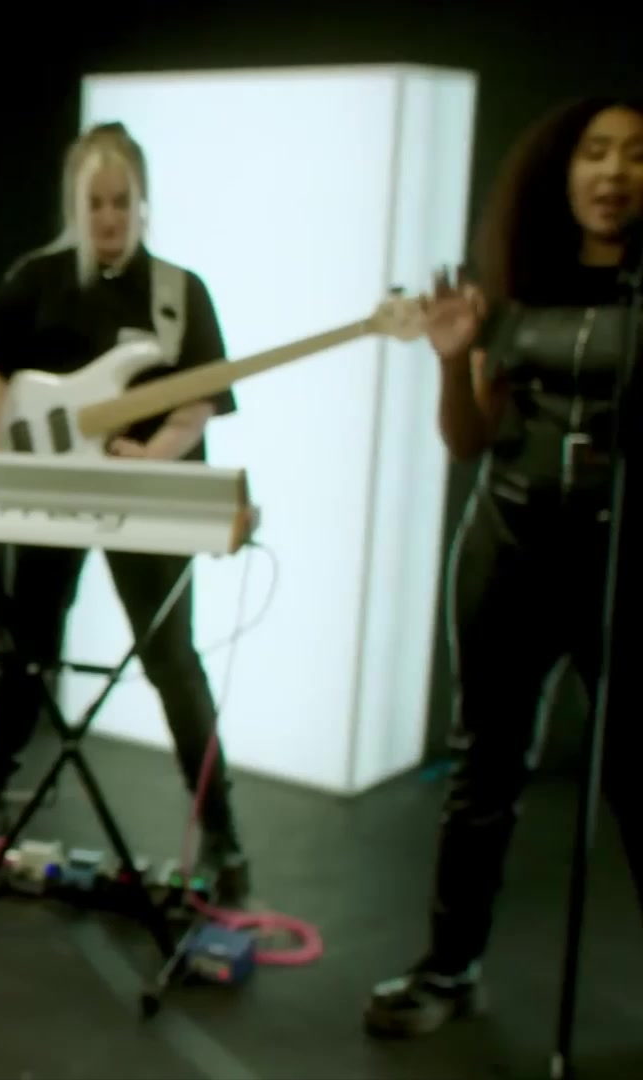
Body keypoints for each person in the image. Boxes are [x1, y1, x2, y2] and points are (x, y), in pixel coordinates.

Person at [364, 96, 643, 1039]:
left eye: (635, 155)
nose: (613, 173)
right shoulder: (515, 287)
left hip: (617, 560)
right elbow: (467, 439)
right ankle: (447, 968)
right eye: (596, 152)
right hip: (509, 550)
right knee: (483, 770)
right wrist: (452, 362)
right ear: (564, 170)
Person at [0, 122, 249, 900]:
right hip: (52, 491)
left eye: (122, 202)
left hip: (142, 494)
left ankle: (221, 830)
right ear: (75, 204)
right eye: (96, 203)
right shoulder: (35, 280)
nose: (110, 217)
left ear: (143, 201)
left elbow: (198, 401)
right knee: (30, 645)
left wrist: (155, 456)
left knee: (172, 660)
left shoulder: (178, 293)